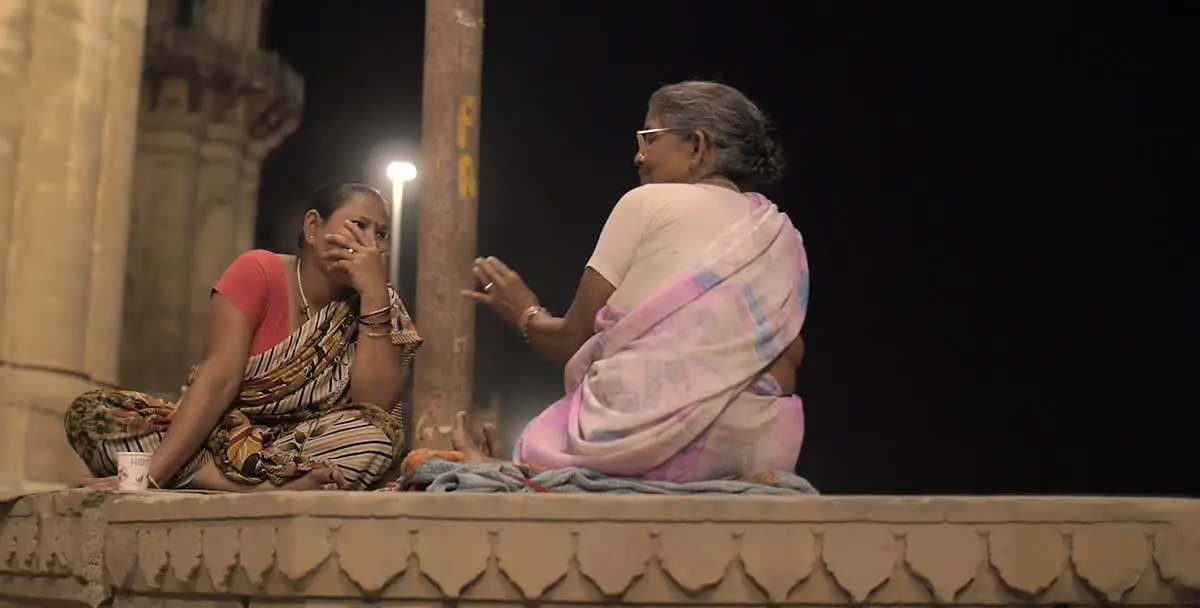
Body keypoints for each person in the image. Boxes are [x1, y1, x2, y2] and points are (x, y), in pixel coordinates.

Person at [456, 80, 809, 483]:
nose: (638, 156)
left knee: (525, 448)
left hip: (635, 448)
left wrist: (523, 312)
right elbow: (786, 355)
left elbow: (571, 339)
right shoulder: (780, 234)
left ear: (696, 146)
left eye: (649, 138)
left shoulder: (645, 203)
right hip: (758, 449)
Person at [65, 182, 421, 492]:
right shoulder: (257, 272)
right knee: (92, 414)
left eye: (381, 234)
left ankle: (207, 479)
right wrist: (151, 477)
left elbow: (375, 407)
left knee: (378, 436)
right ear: (313, 228)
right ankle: (232, 487)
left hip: (305, 449)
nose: (371, 244)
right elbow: (218, 379)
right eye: (359, 226)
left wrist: (373, 295)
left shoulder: (377, 303)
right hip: (220, 442)